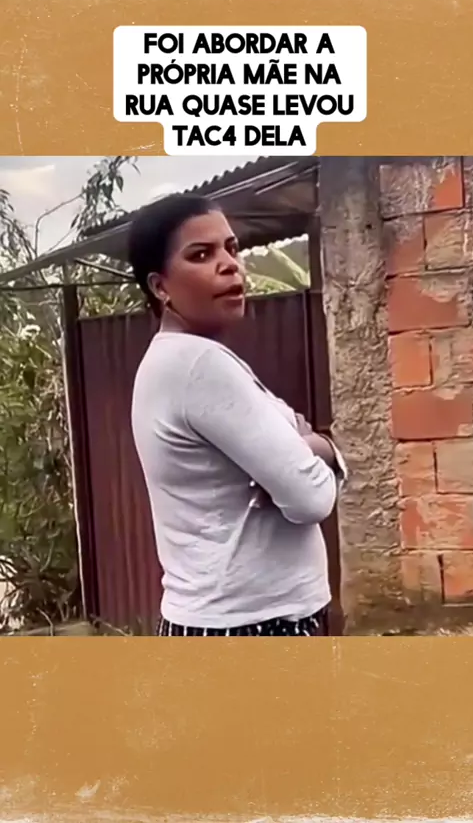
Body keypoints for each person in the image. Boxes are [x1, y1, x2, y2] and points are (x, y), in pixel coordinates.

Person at [128, 193, 347, 636]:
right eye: (201, 255)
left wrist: (307, 448)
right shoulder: (199, 366)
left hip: (222, 621)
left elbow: (296, 458)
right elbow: (311, 498)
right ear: (160, 286)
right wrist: (319, 447)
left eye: (232, 248)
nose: (230, 265)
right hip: (253, 626)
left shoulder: (170, 362)